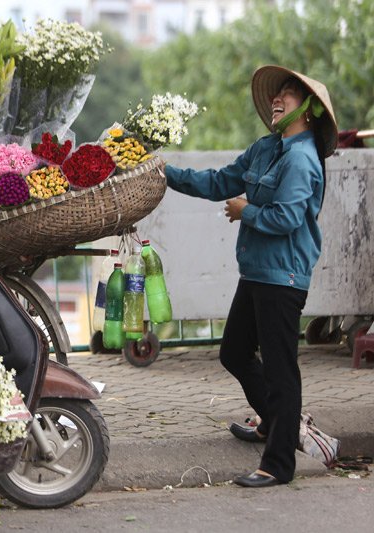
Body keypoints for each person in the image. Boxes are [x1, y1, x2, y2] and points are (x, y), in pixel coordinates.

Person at [164, 65, 337, 488]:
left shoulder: (302, 158)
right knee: (234, 352)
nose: (278, 98)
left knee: (282, 373)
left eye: (289, 94)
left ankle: (278, 463)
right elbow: (221, 180)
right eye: (276, 93)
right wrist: (164, 174)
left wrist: (246, 211)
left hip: (284, 276)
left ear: (310, 109)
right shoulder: (266, 148)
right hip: (258, 271)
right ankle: (274, 423)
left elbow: (287, 217)